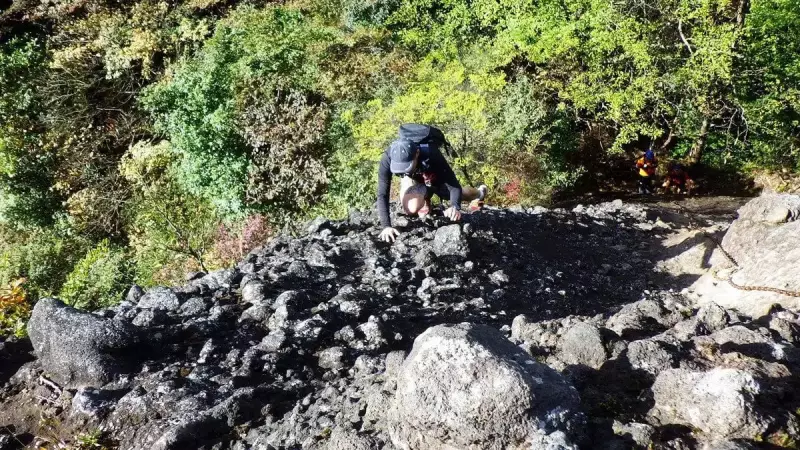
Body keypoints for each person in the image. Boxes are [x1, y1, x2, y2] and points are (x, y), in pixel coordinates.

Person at [377, 133, 488, 243]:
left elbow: (454, 186)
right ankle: (425, 200)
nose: (404, 170)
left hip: (436, 179)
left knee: (463, 194)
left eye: (407, 166)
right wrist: (386, 226)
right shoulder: (388, 158)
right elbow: (382, 193)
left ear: (417, 153)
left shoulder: (432, 153)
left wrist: (455, 206)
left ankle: (481, 192)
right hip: (417, 182)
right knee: (410, 209)